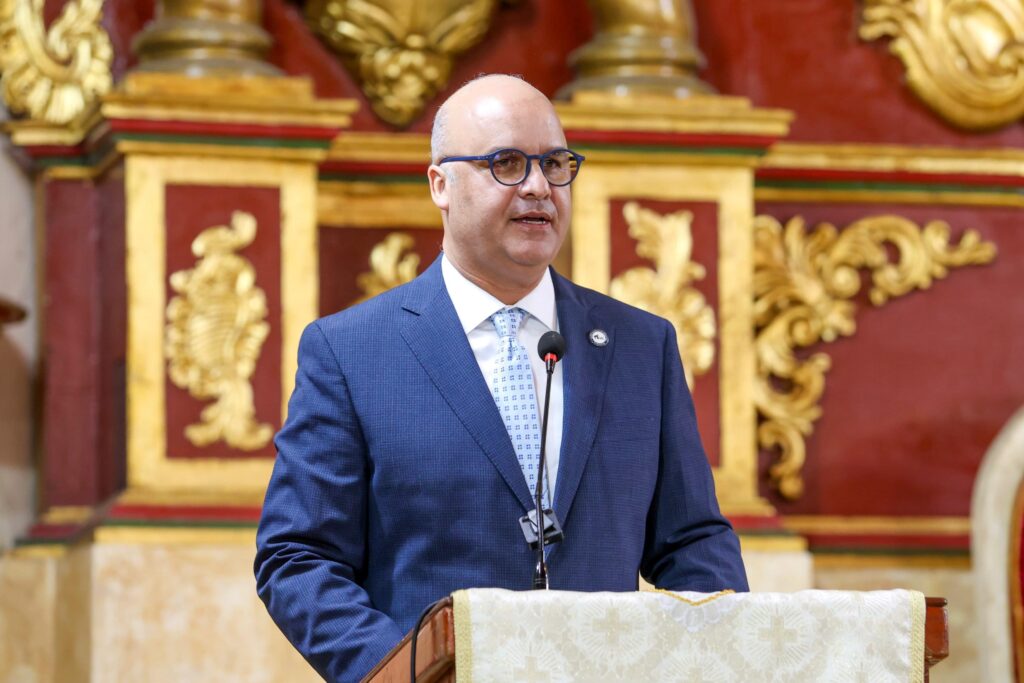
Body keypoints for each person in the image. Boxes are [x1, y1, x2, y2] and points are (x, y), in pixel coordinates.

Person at [254, 74, 747, 683]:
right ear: (441, 183)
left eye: (556, 164)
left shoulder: (640, 345)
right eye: (506, 164)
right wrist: (401, 671)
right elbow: (297, 557)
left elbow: (692, 541)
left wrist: (710, 657)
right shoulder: (352, 352)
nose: (539, 187)